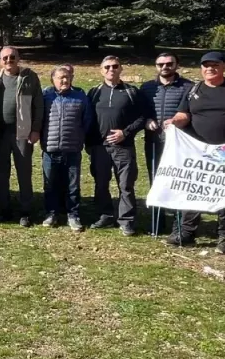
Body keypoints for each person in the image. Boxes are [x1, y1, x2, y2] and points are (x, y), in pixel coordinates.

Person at [170, 52, 225, 253]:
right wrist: (174, 122)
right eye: (206, 65)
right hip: (197, 151)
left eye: (215, 65)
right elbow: (184, 114)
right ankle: (187, 231)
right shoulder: (193, 89)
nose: (210, 68)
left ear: (224, 66)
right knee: (194, 189)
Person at [86, 56, 143, 236]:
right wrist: (89, 143)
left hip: (124, 147)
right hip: (99, 147)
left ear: (121, 68)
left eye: (115, 66)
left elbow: (142, 117)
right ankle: (105, 215)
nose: (111, 69)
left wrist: (125, 133)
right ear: (101, 70)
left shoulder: (131, 92)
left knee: (126, 185)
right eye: (107, 67)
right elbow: (88, 119)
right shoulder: (94, 92)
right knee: (101, 183)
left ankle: (126, 220)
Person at [140, 53, 193, 237]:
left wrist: (177, 121)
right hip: (154, 141)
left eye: (169, 63)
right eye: (160, 64)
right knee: (156, 180)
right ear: (156, 66)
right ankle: (157, 222)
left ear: (177, 65)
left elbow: (190, 112)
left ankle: (179, 224)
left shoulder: (188, 86)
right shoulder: (147, 87)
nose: (165, 67)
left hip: (178, 143)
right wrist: (147, 120)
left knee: (177, 181)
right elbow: (142, 111)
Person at [0, 47, 43, 226]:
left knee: (24, 173)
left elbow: (39, 105)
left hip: (22, 133)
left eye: (12, 57)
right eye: (5, 57)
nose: (9, 60)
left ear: (18, 58)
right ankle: (4, 210)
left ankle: (25, 212)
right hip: (0, 134)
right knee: (1, 174)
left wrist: (35, 129)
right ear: (0, 60)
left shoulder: (30, 77)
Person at [40, 65, 92, 232]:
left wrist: (79, 137)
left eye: (67, 77)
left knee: (73, 185)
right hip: (50, 149)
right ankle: (51, 213)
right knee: (50, 184)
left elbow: (87, 120)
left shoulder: (80, 97)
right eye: (60, 77)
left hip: (72, 149)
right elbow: (38, 119)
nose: (64, 80)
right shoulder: (45, 96)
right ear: (53, 80)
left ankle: (73, 215)